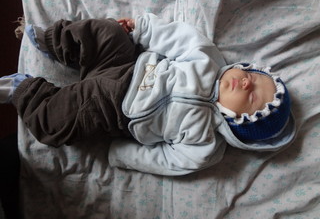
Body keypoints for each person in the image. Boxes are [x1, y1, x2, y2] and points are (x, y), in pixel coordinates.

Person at [0, 13, 296, 175]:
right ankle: (55, 40)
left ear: (239, 125)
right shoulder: (207, 60)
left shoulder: (204, 145)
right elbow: (177, 37)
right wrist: (141, 29)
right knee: (107, 32)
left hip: (113, 109)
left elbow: (164, 160)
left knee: (58, 123)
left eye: (254, 96)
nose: (246, 83)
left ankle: (24, 90)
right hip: (127, 63)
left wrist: (123, 155)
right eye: (253, 76)